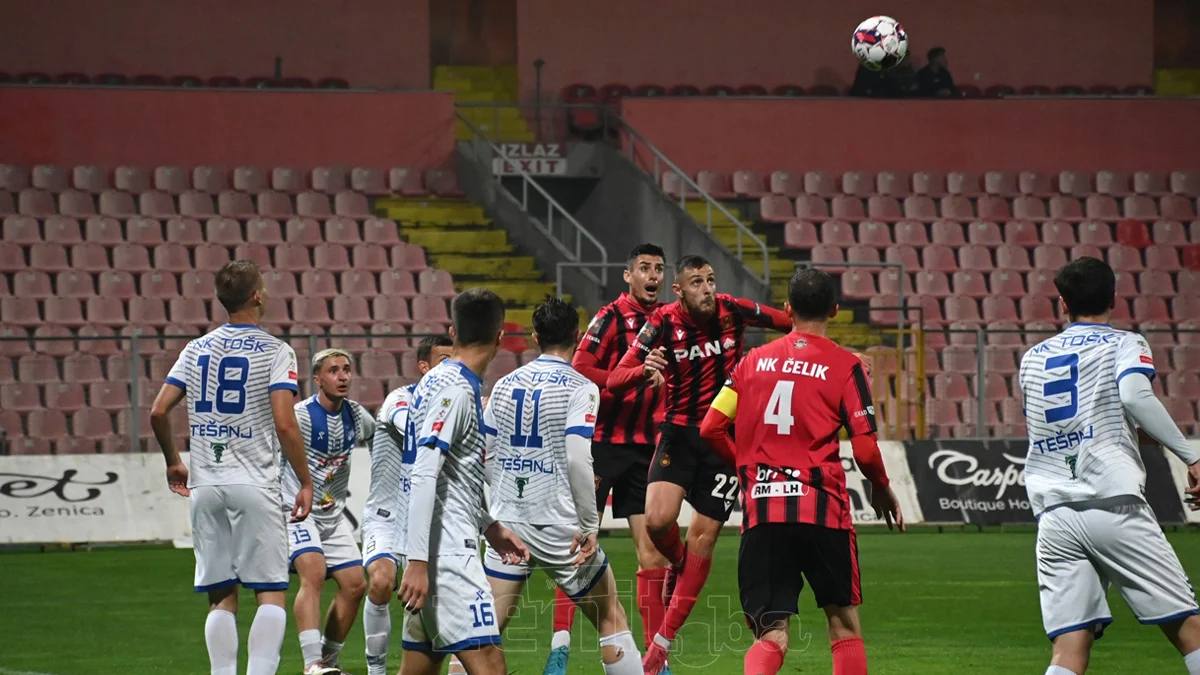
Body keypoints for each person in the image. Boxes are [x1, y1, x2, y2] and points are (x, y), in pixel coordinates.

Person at [699, 267, 904, 675]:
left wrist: (747, 469)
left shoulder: (750, 362)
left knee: (770, 634)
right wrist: (881, 488)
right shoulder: (847, 367)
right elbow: (864, 449)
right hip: (822, 509)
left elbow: (710, 427)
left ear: (788, 309)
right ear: (835, 310)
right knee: (843, 625)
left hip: (764, 511)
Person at [606, 254, 792, 674]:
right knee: (657, 523)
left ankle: (661, 644)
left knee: (703, 538)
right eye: (696, 282)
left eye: (710, 280)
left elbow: (795, 326)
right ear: (679, 290)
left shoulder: (732, 309)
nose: (706, 289)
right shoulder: (663, 323)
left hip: (725, 436)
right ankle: (678, 566)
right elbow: (617, 377)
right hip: (679, 434)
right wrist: (642, 370)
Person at [1018, 256, 1200, 675]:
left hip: (1055, 514)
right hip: (1111, 502)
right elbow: (1136, 397)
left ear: (1062, 303)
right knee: (1188, 627)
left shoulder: (1032, 357)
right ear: (1114, 298)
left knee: (1069, 646)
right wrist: (1192, 455)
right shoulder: (1125, 343)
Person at [150, 259, 313, 675]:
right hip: (254, 484)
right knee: (271, 592)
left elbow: (158, 411)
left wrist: (174, 461)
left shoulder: (196, 348)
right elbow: (284, 421)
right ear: (257, 295)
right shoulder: (277, 351)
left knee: (221, 596)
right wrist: (306, 480)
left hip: (205, 485)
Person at [483, 296, 644, 675]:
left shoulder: (504, 384)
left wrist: (507, 490)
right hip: (559, 526)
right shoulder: (581, 387)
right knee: (611, 616)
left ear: (536, 336)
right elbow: (576, 458)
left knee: (483, 632)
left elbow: (483, 451)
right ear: (579, 335)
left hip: (508, 522)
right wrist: (589, 524)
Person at [545, 243, 669, 674]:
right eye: (645, 269)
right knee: (580, 547)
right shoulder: (610, 318)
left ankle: (656, 659)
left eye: (658, 269)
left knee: (652, 553)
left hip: (645, 447)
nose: (653, 276)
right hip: (600, 444)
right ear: (628, 275)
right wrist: (636, 373)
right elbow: (581, 370)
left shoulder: (667, 321)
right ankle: (560, 650)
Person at [397, 288, 530, 675]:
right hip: (447, 556)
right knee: (490, 665)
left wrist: (489, 526)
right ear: (501, 337)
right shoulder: (456, 390)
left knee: (419, 668)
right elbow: (425, 472)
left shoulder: (435, 381)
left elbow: (452, 474)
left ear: (453, 332)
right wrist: (420, 563)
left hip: (435, 546)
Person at [361, 335, 454, 675]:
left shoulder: (452, 405)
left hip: (425, 519)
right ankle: (376, 670)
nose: (451, 367)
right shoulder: (399, 399)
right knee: (382, 582)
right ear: (424, 367)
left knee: (427, 605)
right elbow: (411, 425)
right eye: (443, 360)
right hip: (387, 517)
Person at [282, 349, 376, 674]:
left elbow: (380, 437)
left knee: (354, 584)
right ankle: (312, 664)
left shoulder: (355, 414)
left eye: (347, 369)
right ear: (318, 379)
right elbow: (273, 454)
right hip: (296, 511)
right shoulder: (301, 415)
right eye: (334, 370)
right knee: (315, 572)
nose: (343, 376)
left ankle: (328, 664)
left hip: (332, 517)